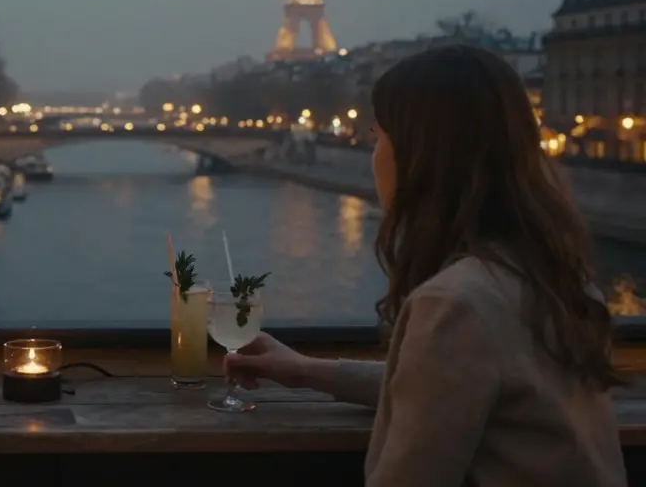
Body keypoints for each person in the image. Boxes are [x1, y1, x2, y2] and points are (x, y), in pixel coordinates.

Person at [227, 44, 628, 486]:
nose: (374, 153)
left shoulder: (458, 303)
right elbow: (448, 385)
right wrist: (306, 371)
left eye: (379, 135)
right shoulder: (553, 276)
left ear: (419, 155)